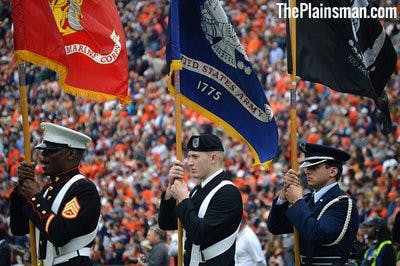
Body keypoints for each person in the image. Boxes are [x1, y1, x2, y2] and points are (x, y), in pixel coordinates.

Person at [9, 122, 101, 265]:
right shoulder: (47, 189)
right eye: (43, 151)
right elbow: (19, 228)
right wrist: (21, 190)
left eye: (50, 151)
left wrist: (34, 197)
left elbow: (59, 235)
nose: (43, 156)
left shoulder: (84, 189)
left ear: (71, 154)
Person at [267, 143, 359, 265]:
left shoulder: (342, 203)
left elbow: (317, 235)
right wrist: (283, 195)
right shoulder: (307, 201)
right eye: (307, 167)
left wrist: (297, 202)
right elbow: (276, 226)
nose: (307, 171)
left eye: (314, 167)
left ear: (332, 171)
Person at [158, 134, 243, 265]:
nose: (189, 162)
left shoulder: (228, 192)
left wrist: (183, 199)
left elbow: (199, 234)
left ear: (213, 158)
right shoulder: (198, 190)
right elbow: (167, 223)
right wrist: (170, 190)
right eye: (189, 156)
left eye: (195, 157)